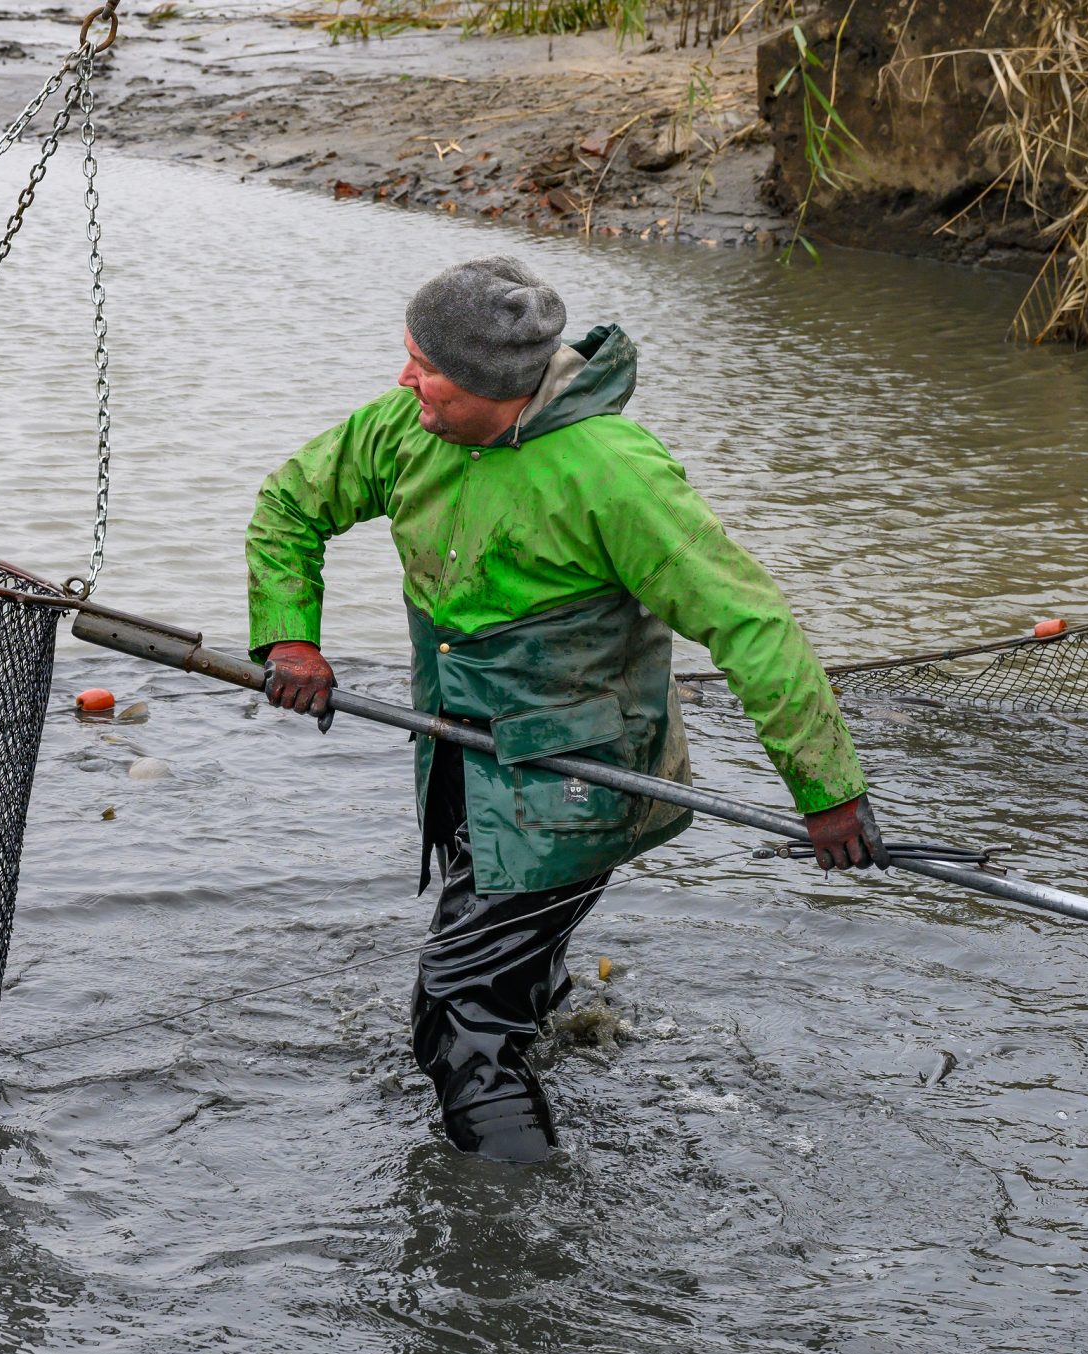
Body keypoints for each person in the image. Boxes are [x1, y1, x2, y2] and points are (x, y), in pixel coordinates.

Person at [247, 254, 878, 1165]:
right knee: (504, 974)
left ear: (493, 385)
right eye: (409, 356)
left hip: (573, 788)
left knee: (457, 1019)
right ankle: (550, 1037)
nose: (404, 379)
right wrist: (290, 638)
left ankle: (518, 1222)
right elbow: (288, 504)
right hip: (458, 755)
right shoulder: (402, 428)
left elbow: (751, 623)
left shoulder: (615, 474)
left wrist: (828, 791)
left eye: (426, 367)